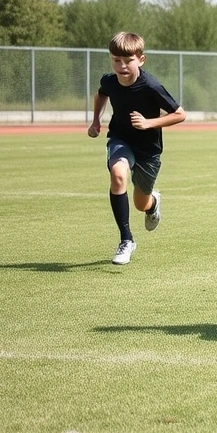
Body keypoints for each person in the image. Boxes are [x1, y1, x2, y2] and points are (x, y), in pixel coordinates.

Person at [87, 31, 186, 265]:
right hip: (120, 138)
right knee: (118, 175)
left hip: (148, 150)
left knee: (140, 203)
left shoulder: (150, 86)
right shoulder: (109, 81)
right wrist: (95, 121)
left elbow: (180, 114)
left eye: (128, 61)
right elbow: (101, 94)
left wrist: (148, 123)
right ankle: (126, 240)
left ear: (141, 59)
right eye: (116, 60)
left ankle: (153, 203)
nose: (121, 66)